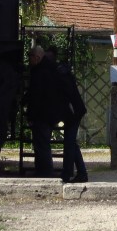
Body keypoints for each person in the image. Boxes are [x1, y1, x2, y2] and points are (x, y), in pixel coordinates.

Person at [46, 46, 88, 184]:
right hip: (73, 111)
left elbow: (65, 97)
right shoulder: (61, 72)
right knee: (71, 143)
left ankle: (69, 173)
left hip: (72, 112)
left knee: (69, 144)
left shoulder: (58, 74)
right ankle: (80, 172)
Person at [25, 45, 60, 177]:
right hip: (48, 114)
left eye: (30, 57)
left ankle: (45, 172)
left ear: (37, 57)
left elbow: (36, 96)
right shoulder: (49, 69)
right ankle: (42, 170)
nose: (29, 60)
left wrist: (30, 115)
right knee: (42, 143)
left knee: (42, 144)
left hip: (42, 115)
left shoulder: (40, 72)